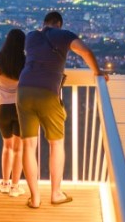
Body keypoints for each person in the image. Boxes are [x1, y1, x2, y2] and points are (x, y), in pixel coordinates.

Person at [18, 11, 107, 208]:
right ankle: (56, 194)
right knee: (55, 144)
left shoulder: (31, 36)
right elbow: (86, 52)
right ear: (59, 23)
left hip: (24, 90)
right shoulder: (64, 35)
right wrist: (98, 72)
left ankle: (35, 199)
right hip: (48, 93)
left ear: (44, 23)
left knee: (29, 146)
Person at [0, 28, 26, 197]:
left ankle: (4, 183)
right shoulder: (25, 62)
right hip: (19, 108)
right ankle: (15, 186)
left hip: (3, 107)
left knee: (6, 147)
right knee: (18, 149)